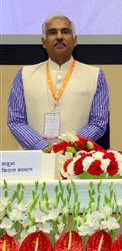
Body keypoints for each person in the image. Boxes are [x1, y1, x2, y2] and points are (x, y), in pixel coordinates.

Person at [7, 14, 109, 149]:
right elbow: (15, 120)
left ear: (75, 40)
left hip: (77, 160)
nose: (59, 36)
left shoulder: (96, 76)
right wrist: (43, 147)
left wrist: (70, 146)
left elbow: (98, 122)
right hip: (34, 160)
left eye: (65, 31)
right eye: (52, 32)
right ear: (43, 42)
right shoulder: (24, 75)